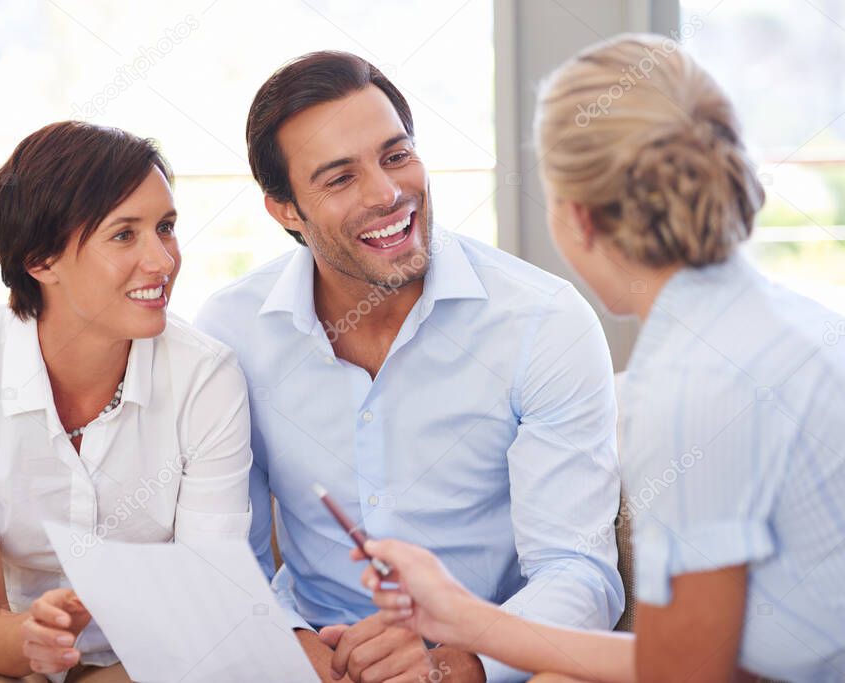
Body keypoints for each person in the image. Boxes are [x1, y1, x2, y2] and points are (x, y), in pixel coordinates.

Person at [354, 34, 845, 682]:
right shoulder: (789, 321)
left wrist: (462, 620)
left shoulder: (686, 389)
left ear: (578, 218)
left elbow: (685, 674)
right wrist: (465, 620)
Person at [195, 51, 625, 683]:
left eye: (396, 156)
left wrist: (463, 661)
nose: (387, 193)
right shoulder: (232, 332)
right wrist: (295, 647)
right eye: (339, 179)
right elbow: (230, 558)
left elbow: (578, 569)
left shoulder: (543, 322)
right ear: (286, 210)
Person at [0, 121, 253, 683]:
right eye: (124, 235)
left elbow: (207, 604)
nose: (162, 261)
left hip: (145, 659)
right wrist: (34, 636)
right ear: (41, 260)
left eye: (166, 227)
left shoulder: (207, 377)